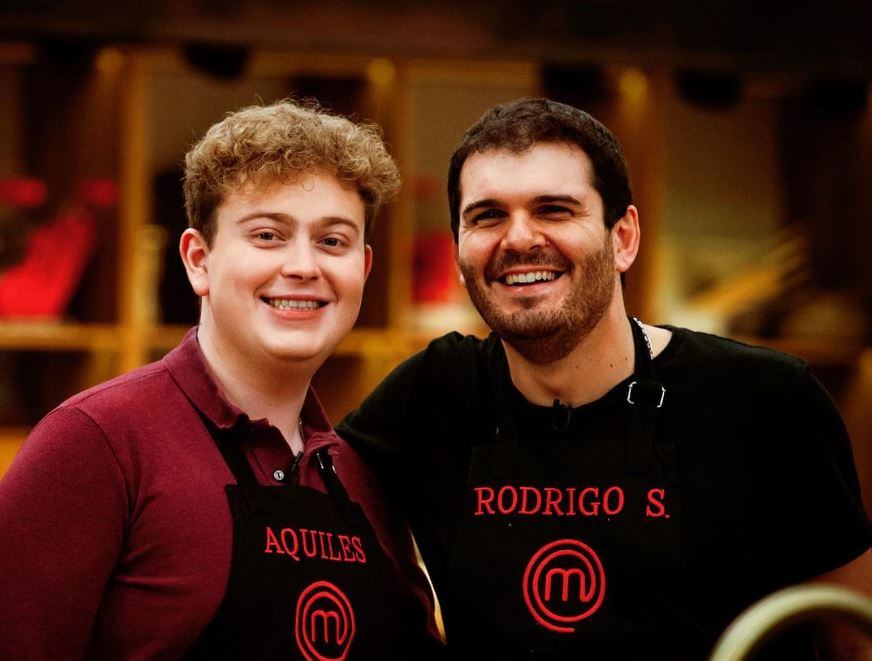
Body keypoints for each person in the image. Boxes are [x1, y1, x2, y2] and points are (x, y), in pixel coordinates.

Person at [338, 97, 872, 660]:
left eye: (555, 209)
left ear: (624, 238)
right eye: (487, 215)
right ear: (458, 251)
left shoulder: (768, 400)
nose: (519, 239)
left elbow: (854, 638)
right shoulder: (430, 395)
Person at [0, 100, 442, 659]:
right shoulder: (97, 443)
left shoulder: (363, 477)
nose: (304, 265)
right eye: (267, 235)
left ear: (364, 269)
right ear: (198, 260)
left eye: (333, 240)